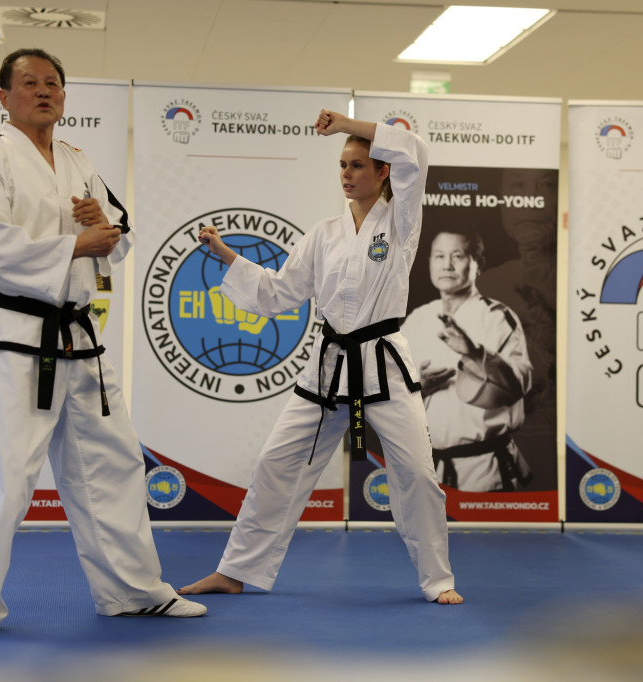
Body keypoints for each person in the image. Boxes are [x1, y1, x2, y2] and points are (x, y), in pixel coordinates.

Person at [0, 48, 206, 636]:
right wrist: (79, 243)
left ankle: (132, 592)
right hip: (16, 337)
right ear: (4, 97)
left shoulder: (79, 160)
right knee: (5, 474)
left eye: (52, 83)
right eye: (29, 83)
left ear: (63, 95)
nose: (43, 91)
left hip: (79, 335)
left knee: (112, 466)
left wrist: (98, 222)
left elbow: (118, 229)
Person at [181, 109, 462, 605]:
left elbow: (415, 150)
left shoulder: (401, 219)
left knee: (418, 475)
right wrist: (225, 254)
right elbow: (278, 293)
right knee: (275, 462)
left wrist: (349, 124)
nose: (347, 174)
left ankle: (438, 578)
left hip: (383, 363)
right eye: (342, 165)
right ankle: (236, 570)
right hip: (329, 367)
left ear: (383, 171)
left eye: (358, 165)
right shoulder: (324, 233)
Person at [401, 228, 533, 491]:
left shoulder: (497, 318)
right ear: (429, 263)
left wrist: (474, 353)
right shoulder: (418, 319)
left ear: (478, 264)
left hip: (485, 469)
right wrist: (417, 387)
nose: (447, 265)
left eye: (457, 256)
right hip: (427, 467)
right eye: (439, 256)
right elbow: (389, 388)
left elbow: (519, 386)